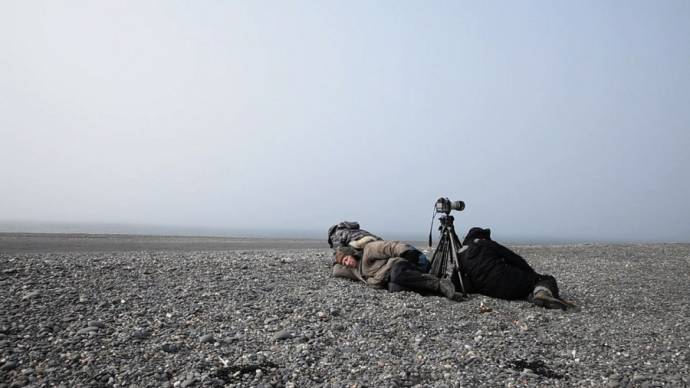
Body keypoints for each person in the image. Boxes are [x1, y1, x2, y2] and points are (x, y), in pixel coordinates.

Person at [459, 227, 573, 310]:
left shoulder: (460, 253)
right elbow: (513, 258)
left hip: (488, 290)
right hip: (505, 280)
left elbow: (457, 279)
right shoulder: (486, 243)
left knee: (523, 289)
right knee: (545, 279)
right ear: (482, 236)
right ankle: (541, 292)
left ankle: (533, 295)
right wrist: (531, 274)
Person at [331, 240, 459, 301]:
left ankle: (439, 284)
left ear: (352, 253)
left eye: (347, 259)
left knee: (397, 276)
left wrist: (406, 252)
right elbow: (336, 271)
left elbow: (390, 246)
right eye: (345, 263)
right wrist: (336, 260)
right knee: (394, 287)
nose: (348, 263)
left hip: (399, 265)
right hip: (389, 277)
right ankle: (441, 293)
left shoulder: (368, 250)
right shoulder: (355, 271)